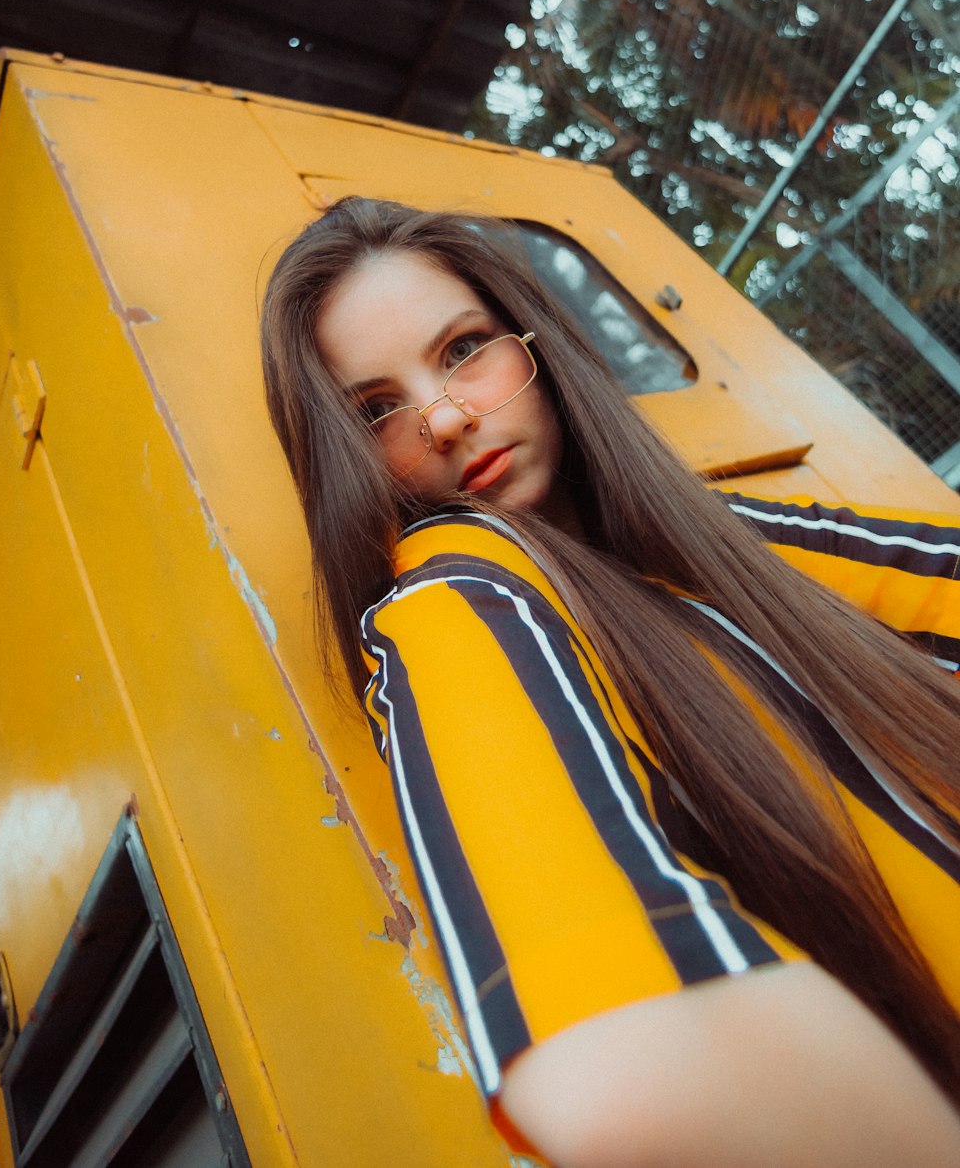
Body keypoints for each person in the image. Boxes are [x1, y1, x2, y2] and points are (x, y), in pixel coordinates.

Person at [260, 195, 960, 1168]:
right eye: (376, 409)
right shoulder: (455, 600)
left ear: (533, 343)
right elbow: (627, 1088)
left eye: (464, 349)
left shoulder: (718, 541)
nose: (450, 416)